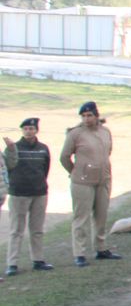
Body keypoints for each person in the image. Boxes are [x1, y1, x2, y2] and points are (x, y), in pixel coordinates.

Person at [59, 101, 117, 267]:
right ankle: (80, 253)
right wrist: (75, 172)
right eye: (83, 116)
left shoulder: (105, 132)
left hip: (103, 179)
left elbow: (108, 152)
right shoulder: (75, 134)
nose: (86, 119)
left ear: (96, 115)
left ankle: (101, 248)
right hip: (82, 182)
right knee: (81, 217)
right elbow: (64, 157)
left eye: (89, 115)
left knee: (101, 216)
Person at [5, 119, 53, 277]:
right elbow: (8, 168)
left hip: (39, 193)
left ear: (36, 130)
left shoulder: (43, 149)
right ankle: (12, 263)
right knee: (16, 230)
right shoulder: (14, 148)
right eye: (25, 128)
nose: (28, 131)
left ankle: (38, 260)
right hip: (19, 194)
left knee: (37, 229)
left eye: (31, 128)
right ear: (22, 131)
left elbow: (45, 169)